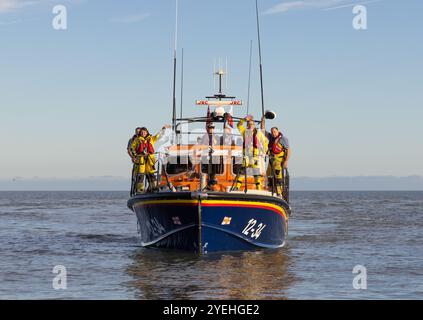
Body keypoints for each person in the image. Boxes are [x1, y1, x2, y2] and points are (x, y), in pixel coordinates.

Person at [131, 124, 171, 193]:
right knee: (141, 175)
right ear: (140, 133)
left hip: (150, 160)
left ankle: (154, 187)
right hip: (141, 160)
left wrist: (163, 129)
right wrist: (135, 156)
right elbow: (132, 148)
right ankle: (140, 190)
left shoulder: (151, 139)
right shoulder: (137, 140)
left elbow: (158, 136)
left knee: (151, 174)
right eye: (142, 132)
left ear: (147, 132)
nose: (143, 133)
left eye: (144, 132)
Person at [235, 115, 268, 190]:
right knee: (242, 171)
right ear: (247, 125)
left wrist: (264, 151)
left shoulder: (258, 133)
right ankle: (237, 187)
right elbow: (238, 125)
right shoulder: (244, 132)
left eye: (252, 124)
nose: (250, 125)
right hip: (246, 155)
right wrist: (244, 119)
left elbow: (265, 141)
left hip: (255, 156)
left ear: (254, 125)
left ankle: (258, 188)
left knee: (256, 173)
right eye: (249, 124)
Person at [261, 117, 291, 196]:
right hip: (271, 161)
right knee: (269, 176)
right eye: (272, 132)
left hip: (278, 161)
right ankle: (270, 190)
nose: (273, 133)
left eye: (274, 131)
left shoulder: (283, 139)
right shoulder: (271, 137)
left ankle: (279, 192)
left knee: (278, 177)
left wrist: (286, 161)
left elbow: (288, 150)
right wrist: (263, 120)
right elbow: (262, 130)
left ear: (278, 131)